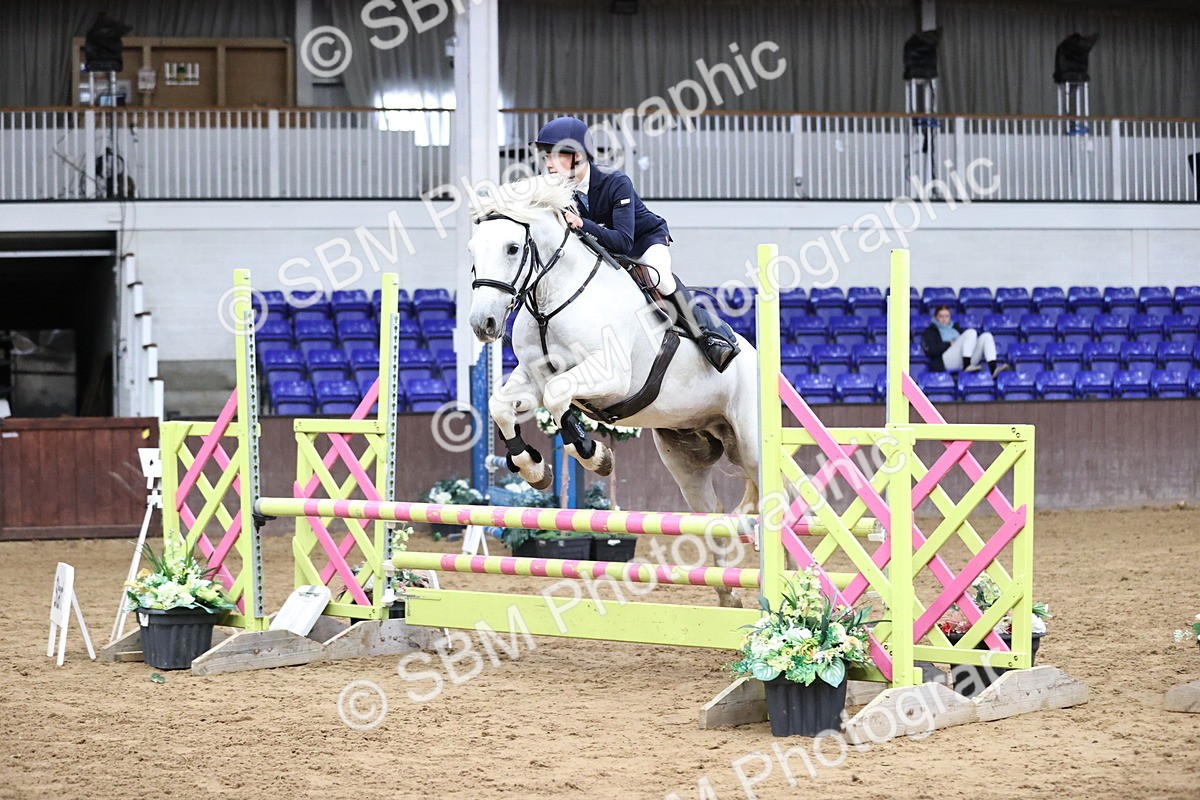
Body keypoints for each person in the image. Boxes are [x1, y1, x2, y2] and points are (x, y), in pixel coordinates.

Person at [531, 116, 740, 372]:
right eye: (546, 157)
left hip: (643, 242)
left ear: (577, 156)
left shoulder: (616, 182)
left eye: (554, 156)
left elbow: (623, 241)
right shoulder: (562, 190)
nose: (548, 164)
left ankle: (710, 336)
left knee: (660, 279)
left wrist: (583, 224)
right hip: (603, 251)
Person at [921, 305, 1011, 378]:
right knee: (971, 332)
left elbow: (967, 344)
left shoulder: (955, 328)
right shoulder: (930, 331)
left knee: (986, 336)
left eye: (946, 316)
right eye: (941, 316)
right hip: (945, 360)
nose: (944, 319)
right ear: (936, 318)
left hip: (963, 358)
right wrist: (949, 344)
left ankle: (993, 369)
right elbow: (932, 350)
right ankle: (966, 366)